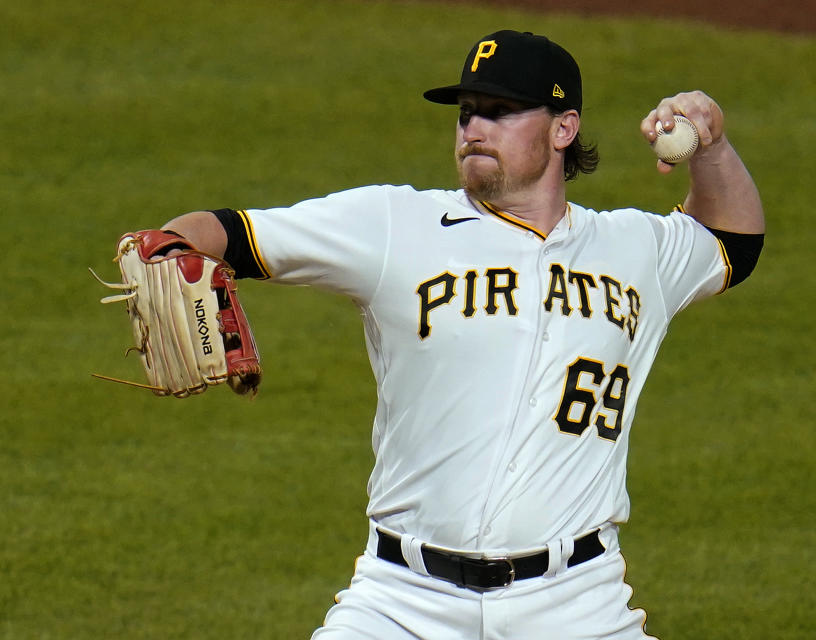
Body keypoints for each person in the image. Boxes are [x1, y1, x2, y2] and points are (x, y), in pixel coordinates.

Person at [159, 29, 763, 640]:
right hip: (402, 600)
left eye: (500, 112)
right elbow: (226, 231)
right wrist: (170, 246)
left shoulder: (635, 249)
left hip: (576, 604)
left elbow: (735, 242)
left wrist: (709, 144)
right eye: (468, 113)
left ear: (563, 128)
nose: (474, 128)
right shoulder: (395, 225)